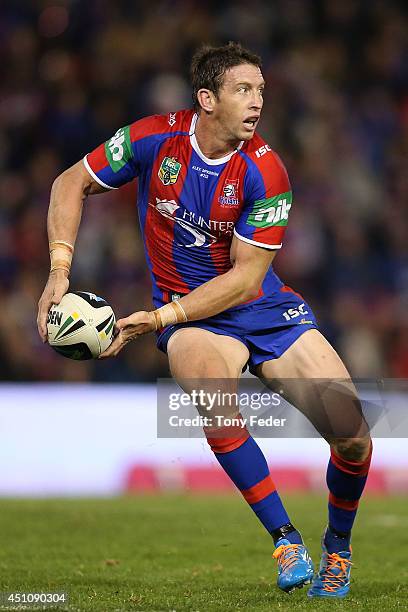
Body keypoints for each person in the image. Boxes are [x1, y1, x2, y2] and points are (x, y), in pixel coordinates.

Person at [37, 42, 372, 598]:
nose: (257, 101)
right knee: (211, 394)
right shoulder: (154, 139)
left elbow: (243, 281)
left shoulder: (267, 173)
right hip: (194, 321)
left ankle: (338, 546)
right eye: (244, 90)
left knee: (355, 437)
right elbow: (68, 182)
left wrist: (162, 314)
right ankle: (286, 538)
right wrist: (59, 269)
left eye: (261, 90)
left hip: (260, 309)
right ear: (207, 99)